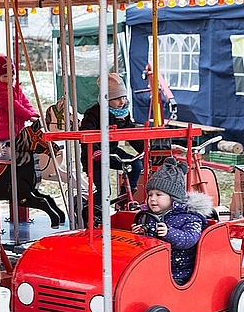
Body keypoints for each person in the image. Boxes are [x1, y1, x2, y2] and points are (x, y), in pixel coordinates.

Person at [131, 157, 213, 285]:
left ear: (173, 198)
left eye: (158, 195)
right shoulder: (147, 215)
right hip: (154, 266)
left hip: (179, 271)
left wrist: (168, 233)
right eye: (150, 195)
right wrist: (140, 233)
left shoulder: (190, 217)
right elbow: (148, 242)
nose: (152, 199)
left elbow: (189, 239)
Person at [79, 73, 144, 206]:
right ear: (106, 99)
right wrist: (95, 151)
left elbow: (130, 133)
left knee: (135, 164)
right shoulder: (93, 113)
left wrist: (144, 149)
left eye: (124, 98)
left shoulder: (123, 114)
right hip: (94, 156)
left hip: (112, 151)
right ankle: (95, 211)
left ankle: (127, 193)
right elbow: (85, 134)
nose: (122, 102)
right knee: (104, 190)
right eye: (117, 98)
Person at [0, 54, 39, 160]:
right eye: (5, 76)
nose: (10, 78)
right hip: (4, 130)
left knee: (20, 154)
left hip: (17, 129)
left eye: (11, 75)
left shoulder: (15, 88)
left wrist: (34, 114)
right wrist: (29, 116)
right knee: (7, 155)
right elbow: (14, 107)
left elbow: (25, 102)